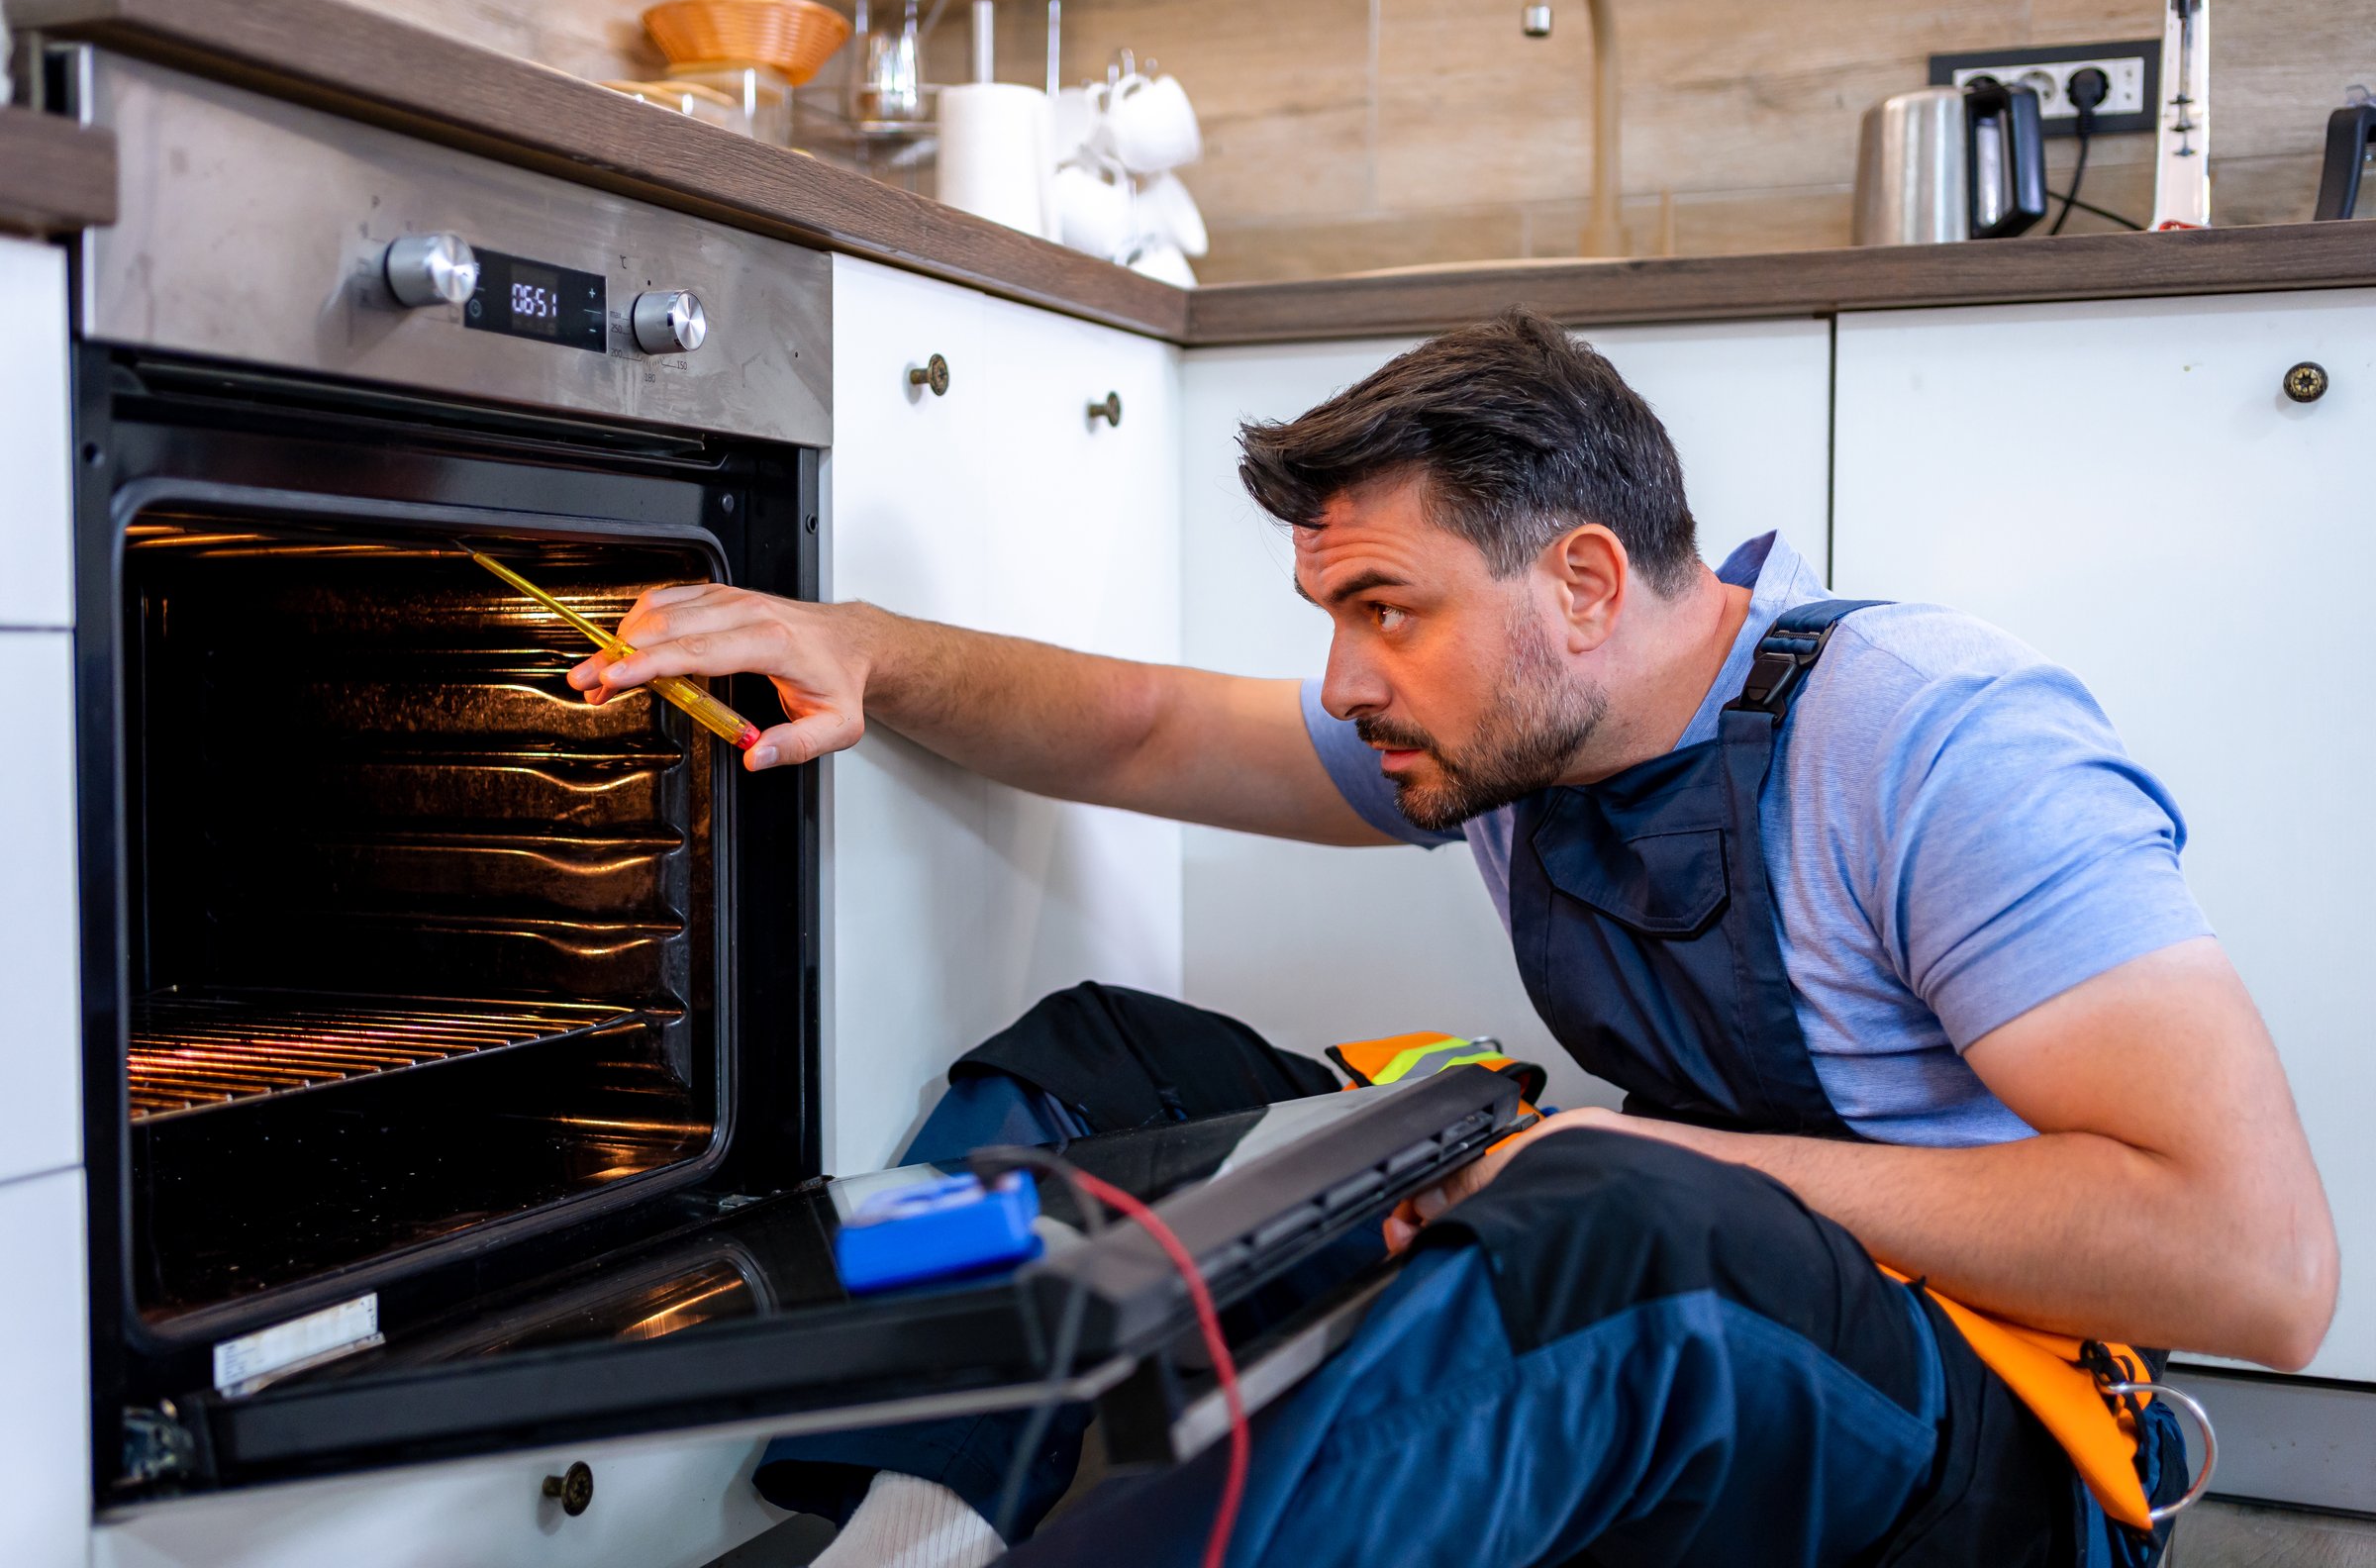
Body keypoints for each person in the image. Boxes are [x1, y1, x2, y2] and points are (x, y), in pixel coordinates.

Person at [570, 309, 2336, 1567]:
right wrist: (863, 641)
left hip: (1994, 1440)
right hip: (1700, 1269)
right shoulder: (1505, 720)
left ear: (1580, 582)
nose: (1344, 683)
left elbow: (2255, 1263)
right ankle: (904, 1539)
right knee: (1098, 1067)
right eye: (1332, 616)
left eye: (1384, 612)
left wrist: (1659, 1162)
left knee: (1616, 1219)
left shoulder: (1941, 738)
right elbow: (1134, 728)